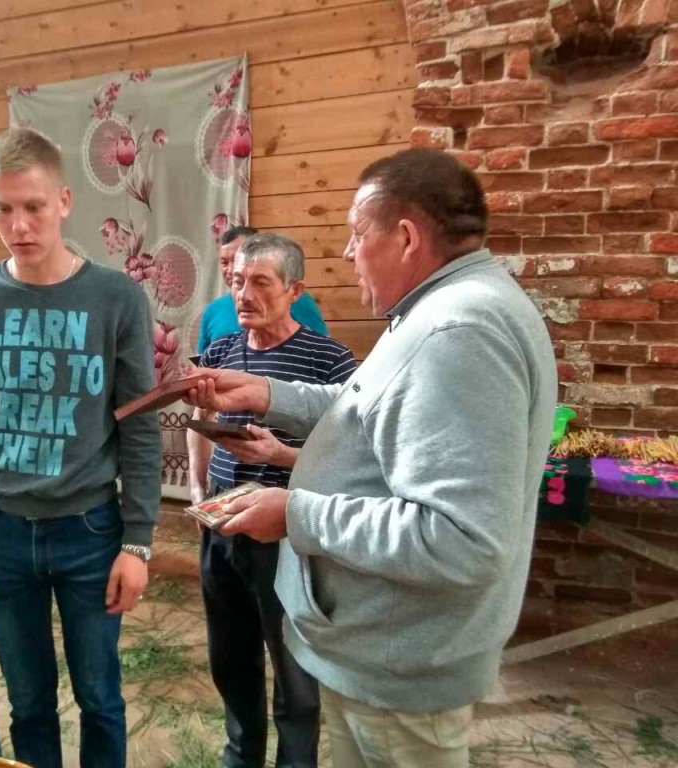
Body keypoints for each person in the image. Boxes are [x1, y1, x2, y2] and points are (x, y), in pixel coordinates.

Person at [185, 148, 557, 768]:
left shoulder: (458, 332)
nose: (347, 253)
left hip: (402, 670)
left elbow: (462, 538)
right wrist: (267, 393)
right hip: (386, 656)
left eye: (358, 234)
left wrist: (296, 514)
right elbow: (371, 406)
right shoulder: (443, 309)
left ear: (406, 238)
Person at [0, 127, 162, 768]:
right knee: (28, 700)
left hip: (89, 528)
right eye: (2, 208)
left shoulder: (115, 298)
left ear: (63, 201)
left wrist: (138, 542)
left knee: (100, 696)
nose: (18, 225)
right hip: (0, 528)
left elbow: (140, 425)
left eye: (33, 206)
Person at [188, 232, 356, 768]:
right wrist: (197, 486)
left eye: (260, 282)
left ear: (294, 290)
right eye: (237, 281)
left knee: (293, 669)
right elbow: (199, 420)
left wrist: (282, 455)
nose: (243, 294)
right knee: (229, 658)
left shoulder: (331, 360)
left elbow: (354, 457)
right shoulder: (220, 350)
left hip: (286, 530)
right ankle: (241, 756)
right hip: (221, 520)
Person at [197, 226, 328, 354]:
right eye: (224, 262)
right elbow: (202, 363)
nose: (230, 269)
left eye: (260, 283)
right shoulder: (213, 311)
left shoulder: (297, 301)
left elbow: (319, 349)